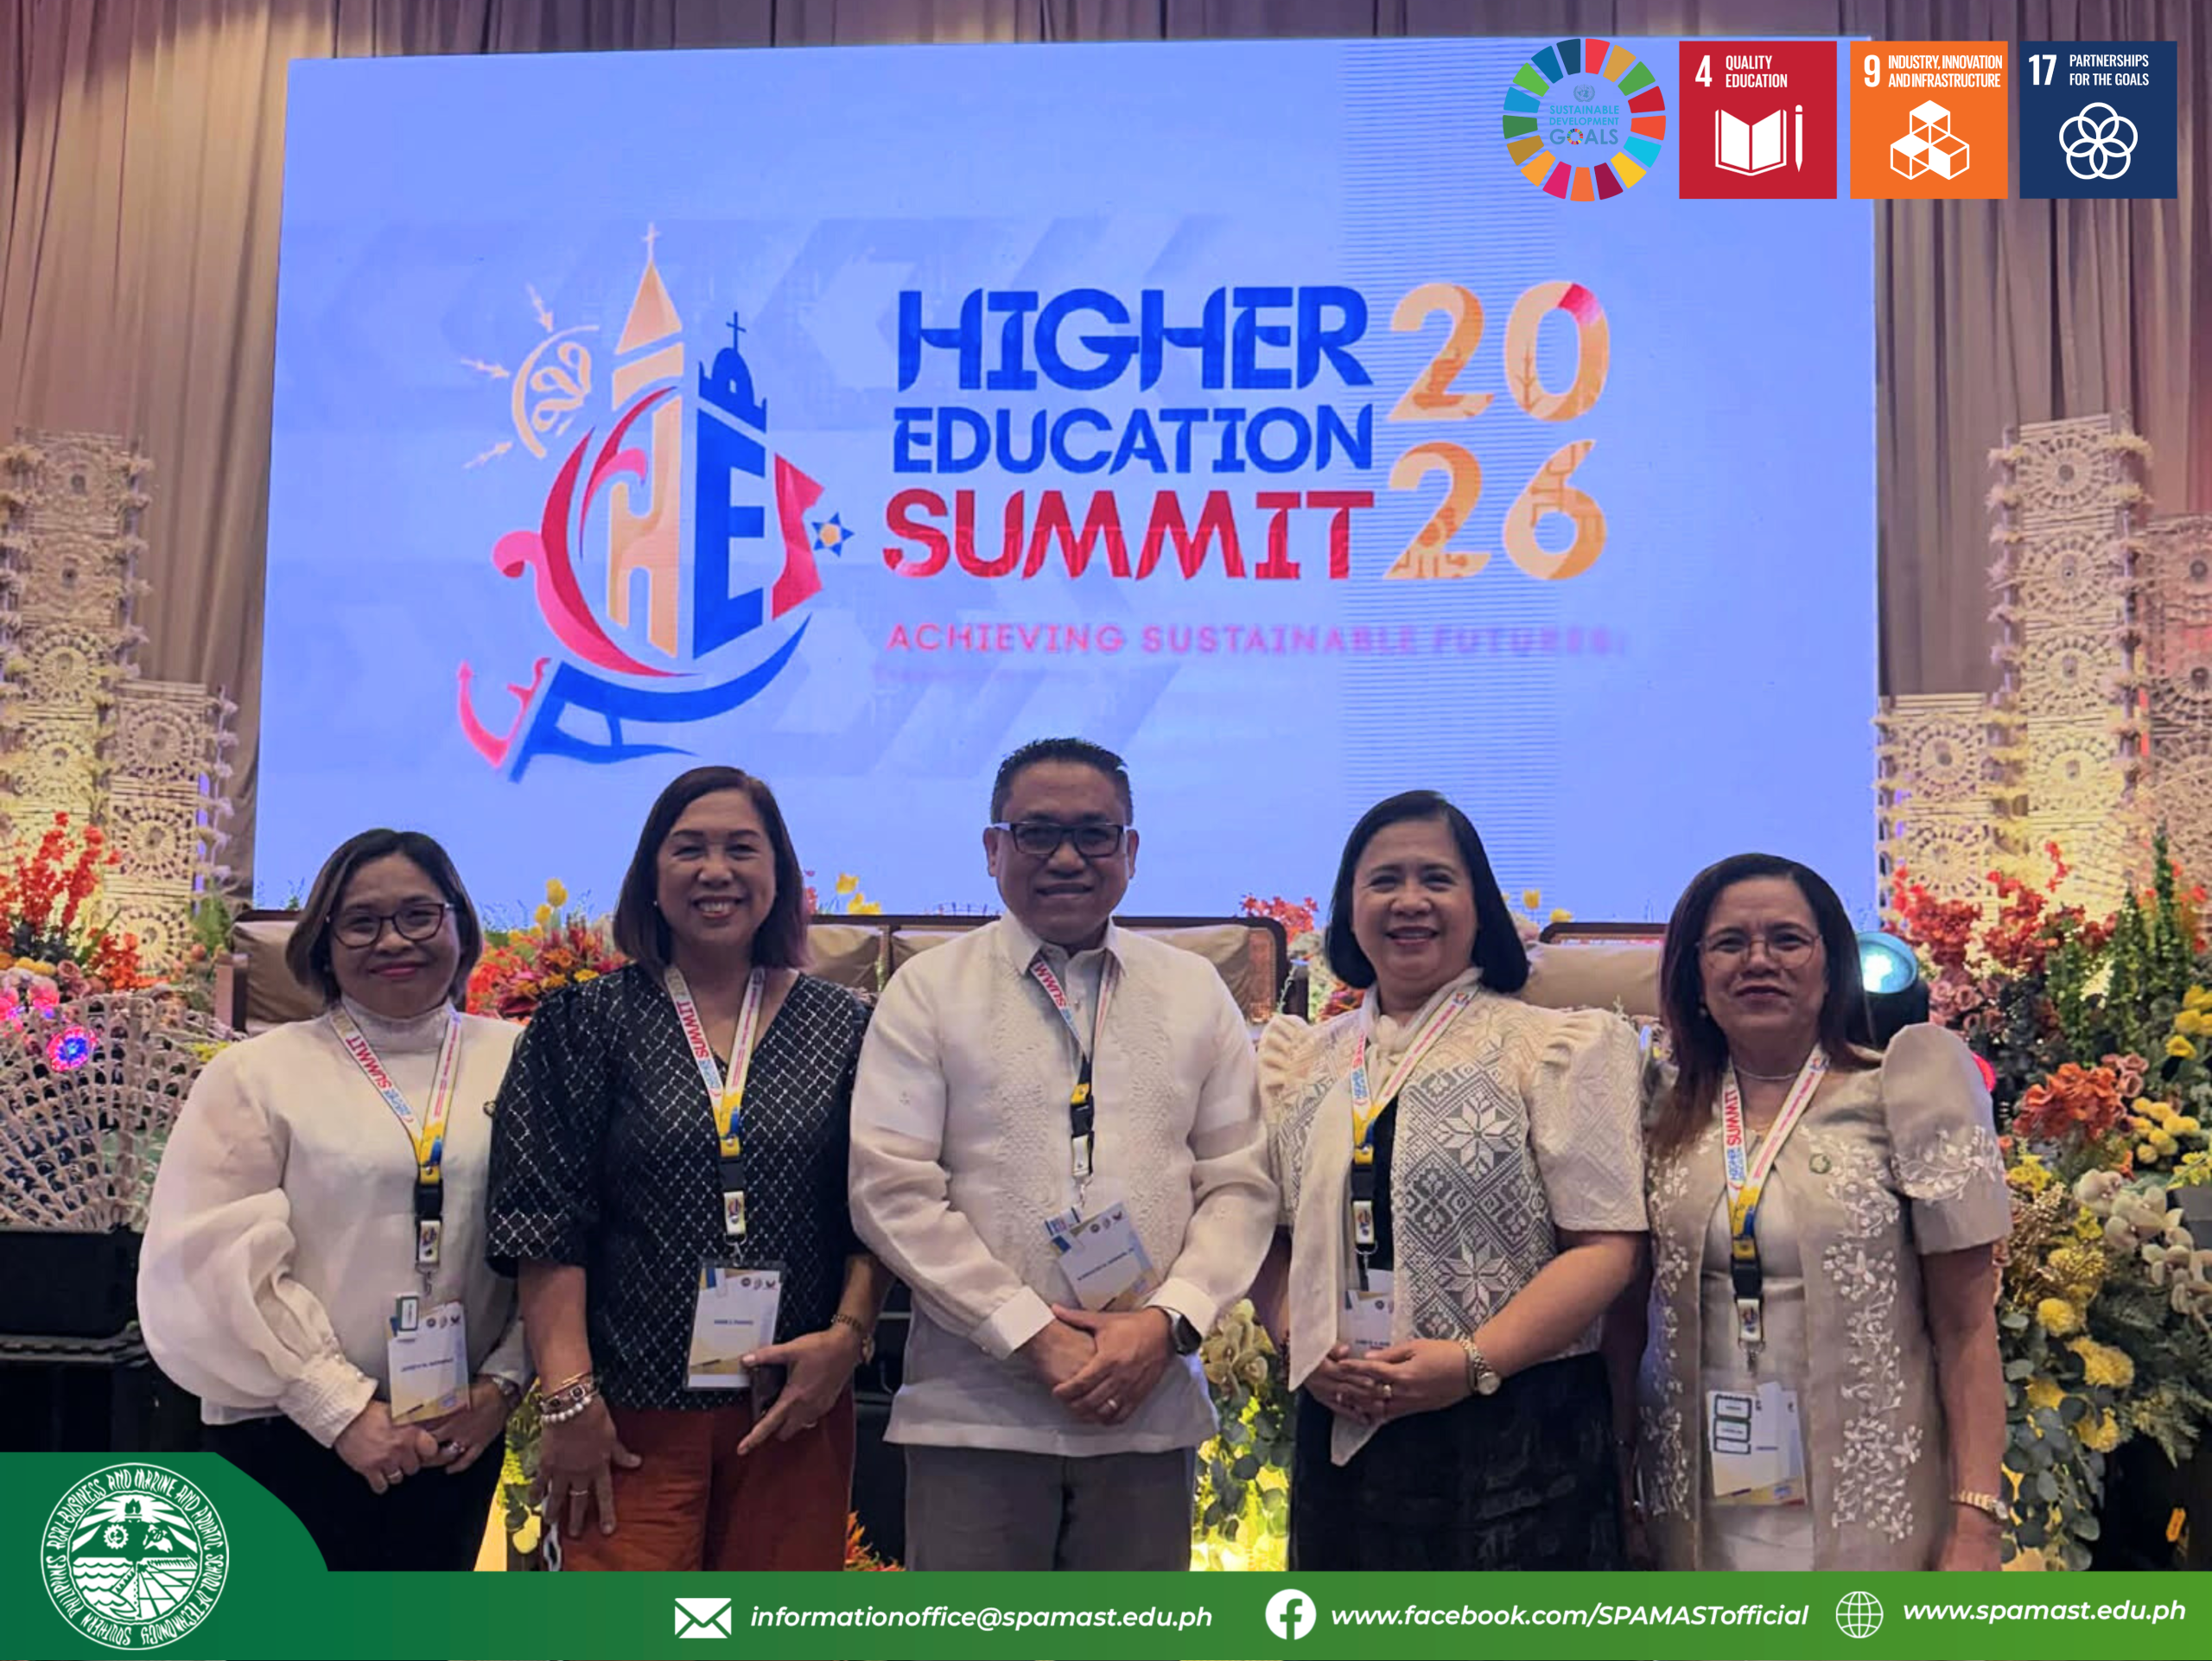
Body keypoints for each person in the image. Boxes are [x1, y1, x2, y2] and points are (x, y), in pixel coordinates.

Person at [849, 737, 1276, 1570]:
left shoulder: (1192, 991)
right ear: (993, 848)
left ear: (1131, 850)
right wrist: (1029, 1332)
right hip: (975, 1414)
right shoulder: (929, 991)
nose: (1068, 857)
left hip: (1147, 1408)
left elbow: (1240, 1182)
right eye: (1038, 833)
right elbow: (891, 1190)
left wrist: (1166, 1321)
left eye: (1095, 834)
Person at [486, 766, 887, 1571]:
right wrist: (569, 1400)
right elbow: (543, 1222)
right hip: (625, 1416)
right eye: (689, 849)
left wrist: (847, 1341)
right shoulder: (582, 1023)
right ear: (650, 875)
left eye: (742, 849)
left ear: (780, 874)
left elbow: (882, 1207)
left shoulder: (849, 1027)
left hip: (794, 1405)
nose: (715, 871)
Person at [1251, 790, 1646, 1570]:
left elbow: (1606, 1247)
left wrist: (1472, 1362)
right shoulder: (1300, 1063)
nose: (1410, 901)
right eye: (1383, 880)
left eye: (1436, 878)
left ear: (1479, 905)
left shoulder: (1553, 1046)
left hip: (1520, 1434)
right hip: (1344, 1420)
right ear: (1349, 908)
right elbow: (1263, 1231)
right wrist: (1297, 1335)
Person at [140, 830, 526, 1570]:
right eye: (361, 922)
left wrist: (503, 1386)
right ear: (322, 940)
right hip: (287, 1428)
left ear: (460, 923)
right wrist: (339, 1408)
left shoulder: (518, 1059)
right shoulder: (258, 1074)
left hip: (455, 1429)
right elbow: (208, 1259)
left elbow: (556, 1240)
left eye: (419, 914)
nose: (394, 940)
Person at [1621, 852, 2008, 1570]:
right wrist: (1622, 1481)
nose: (1758, 960)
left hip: (1872, 1500)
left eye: (1787, 940)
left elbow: (1966, 1327)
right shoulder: (1656, 1107)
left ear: (1831, 966)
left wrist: (1977, 1518)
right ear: (1695, 974)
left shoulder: (1903, 1090)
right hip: (1697, 1498)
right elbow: (1625, 1315)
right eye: (1730, 943)